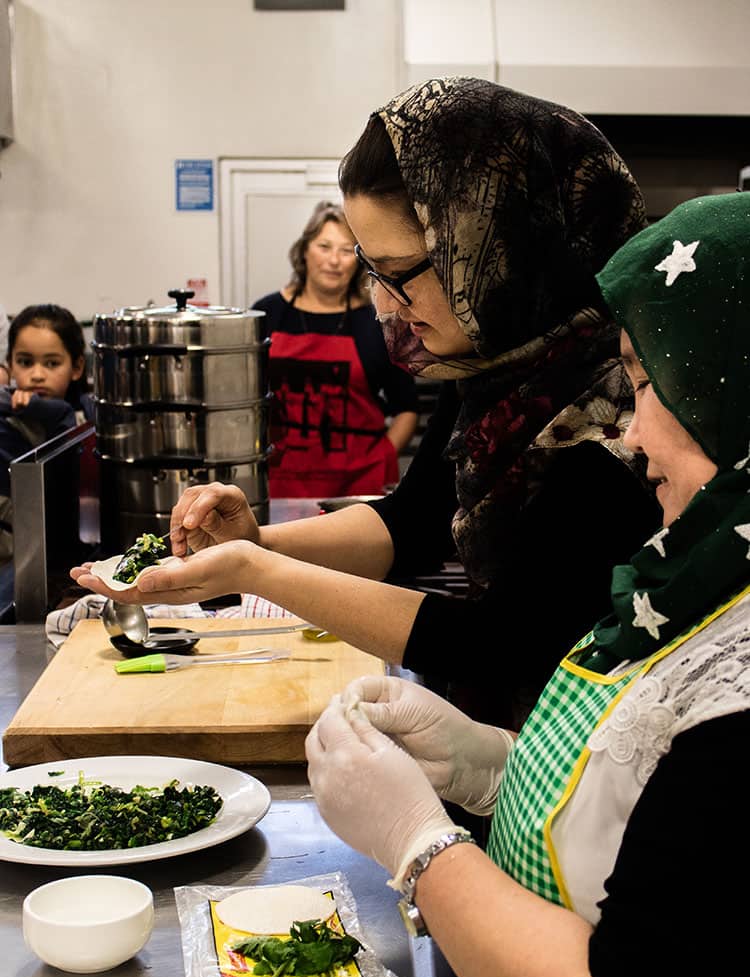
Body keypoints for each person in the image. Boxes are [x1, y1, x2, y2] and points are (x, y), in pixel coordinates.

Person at [305, 191, 750, 977]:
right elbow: (647, 810)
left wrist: (418, 845)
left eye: (648, 382)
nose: (631, 431)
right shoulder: (695, 567)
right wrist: (480, 764)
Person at [71, 77, 660, 729]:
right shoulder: (494, 375)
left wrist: (257, 570)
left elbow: (499, 642)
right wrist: (256, 541)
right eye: (370, 270)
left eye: (401, 272)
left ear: (503, 252)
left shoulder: (623, 414)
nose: (383, 304)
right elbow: (411, 522)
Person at [252, 200, 418, 498]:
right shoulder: (267, 314)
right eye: (324, 246)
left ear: (359, 260)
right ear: (304, 250)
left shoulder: (378, 322)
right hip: (281, 484)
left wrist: (381, 459)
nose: (334, 260)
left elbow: (406, 408)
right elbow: (248, 403)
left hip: (358, 489)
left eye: (346, 250)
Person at [1, 304, 92, 563]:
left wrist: (57, 412)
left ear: (76, 367)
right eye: (25, 362)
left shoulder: (86, 412)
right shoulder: (5, 423)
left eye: (52, 363)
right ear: (10, 365)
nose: (37, 375)